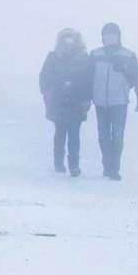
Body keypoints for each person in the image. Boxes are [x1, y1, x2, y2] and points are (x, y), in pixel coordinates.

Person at [89, 21, 138, 181]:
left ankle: (114, 169)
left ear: (118, 37)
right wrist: (86, 98)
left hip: (119, 102)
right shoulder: (95, 54)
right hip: (100, 102)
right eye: (106, 35)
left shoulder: (127, 55)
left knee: (117, 136)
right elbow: (87, 78)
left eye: (113, 35)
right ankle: (107, 165)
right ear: (102, 37)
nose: (110, 38)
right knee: (103, 136)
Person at [38, 27, 92, 176]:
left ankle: (74, 165)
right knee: (60, 133)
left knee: (74, 134)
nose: (69, 42)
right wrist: (47, 92)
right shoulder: (53, 57)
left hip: (77, 101)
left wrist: (87, 98)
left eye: (72, 39)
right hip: (58, 101)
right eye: (66, 39)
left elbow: (89, 80)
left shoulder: (84, 58)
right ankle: (59, 163)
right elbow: (44, 76)